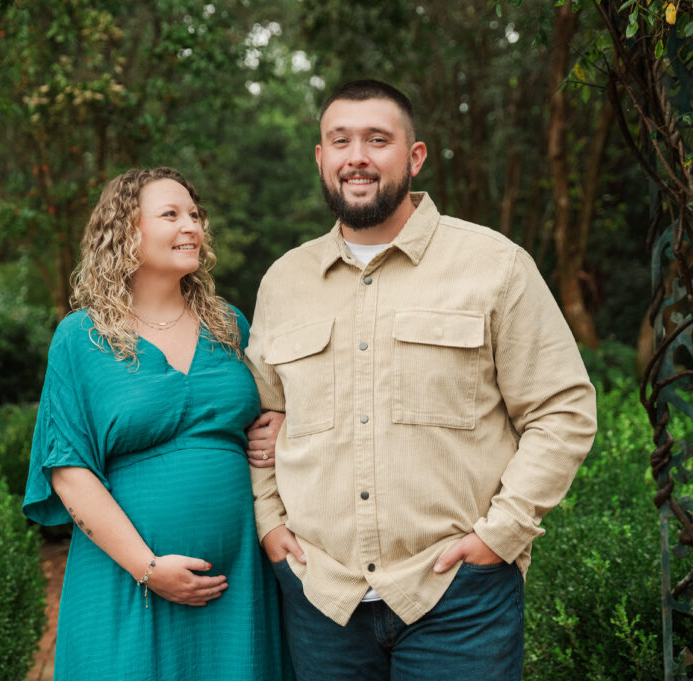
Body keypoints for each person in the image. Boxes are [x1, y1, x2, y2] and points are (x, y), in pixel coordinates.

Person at [245, 80, 598, 680]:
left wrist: (501, 536)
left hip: (459, 597)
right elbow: (262, 417)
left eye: (377, 140)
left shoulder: (494, 267)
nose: (357, 155)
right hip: (321, 596)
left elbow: (561, 409)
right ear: (321, 158)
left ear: (414, 157)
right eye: (340, 141)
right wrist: (269, 522)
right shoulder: (284, 281)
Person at [23, 167, 287, 680]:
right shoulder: (82, 338)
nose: (191, 226)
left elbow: (272, 407)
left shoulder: (230, 324)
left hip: (239, 580)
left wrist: (279, 423)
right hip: (127, 581)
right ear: (126, 231)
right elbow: (67, 468)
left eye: (194, 214)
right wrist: (148, 568)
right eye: (171, 215)